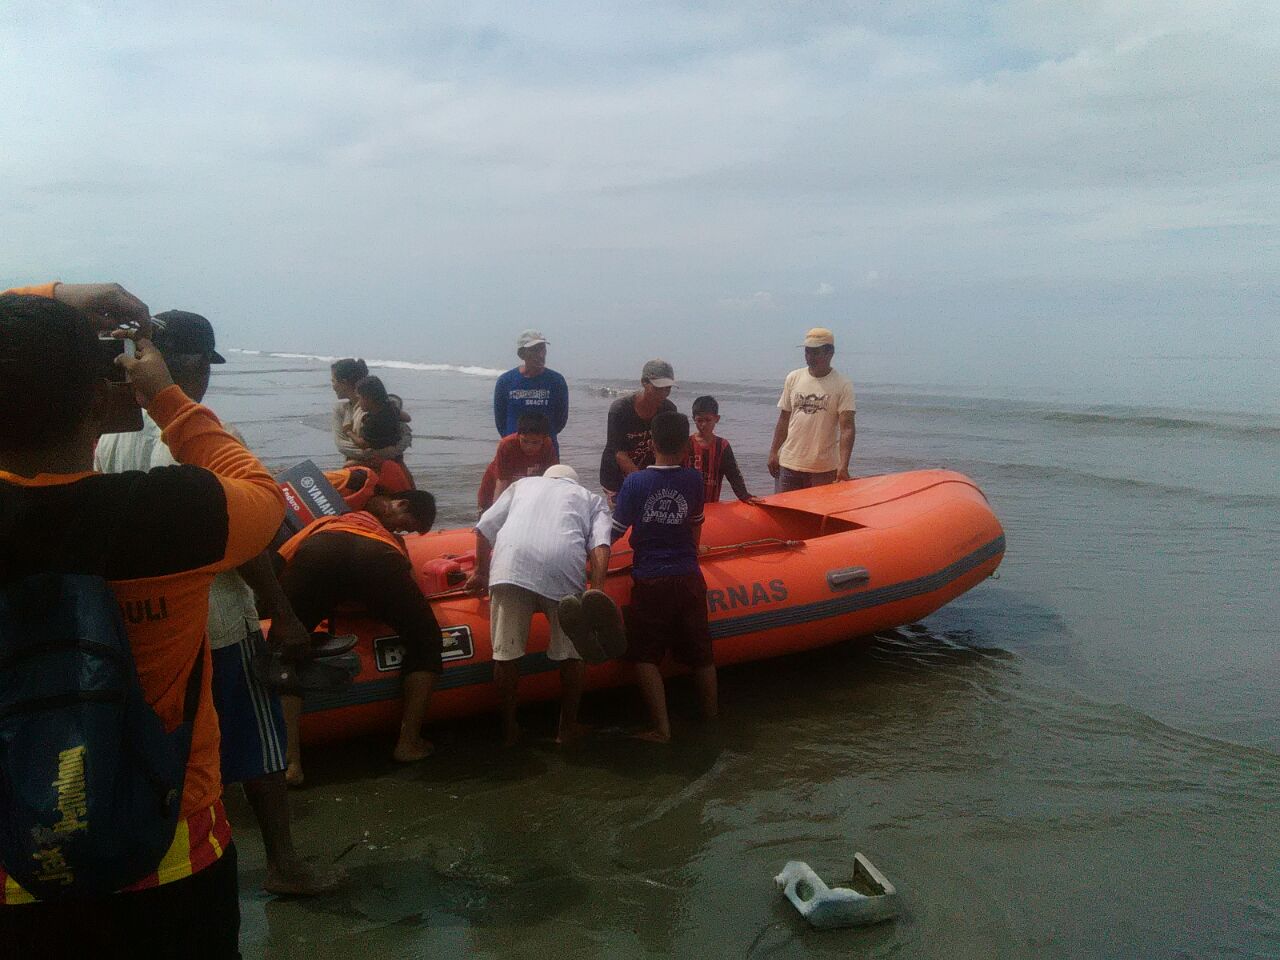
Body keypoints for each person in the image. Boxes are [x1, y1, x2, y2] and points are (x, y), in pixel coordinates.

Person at [0, 282, 285, 957]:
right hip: (170, 856)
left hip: (15, 862)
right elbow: (264, 499)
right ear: (101, 392)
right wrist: (169, 398)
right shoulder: (168, 513)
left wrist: (57, 299)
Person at [95, 310, 344, 898]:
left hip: (145, 632)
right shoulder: (200, 436)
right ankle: (283, 865)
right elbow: (246, 536)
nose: (206, 375)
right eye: (204, 362)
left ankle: (159, 866)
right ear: (187, 365)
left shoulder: (107, 435)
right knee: (260, 753)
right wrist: (281, 612)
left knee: (165, 758)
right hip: (219, 623)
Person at [276, 491, 442, 785]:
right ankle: (408, 742)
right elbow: (410, 590)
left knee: (283, 651)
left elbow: (284, 560)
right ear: (400, 503)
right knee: (426, 639)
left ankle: (290, 764)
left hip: (319, 552)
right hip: (376, 559)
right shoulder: (391, 541)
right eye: (405, 524)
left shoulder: (328, 521)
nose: (400, 531)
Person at [465, 465, 613, 746]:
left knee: (506, 653)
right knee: (572, 653)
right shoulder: (590, 499)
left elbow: (484, 529)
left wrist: (482, 572)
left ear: (548, 478)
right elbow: (600, 545)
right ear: (574, 483)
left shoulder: (522, 486)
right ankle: (566, 729)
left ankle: (509, 730)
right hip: (563, 566)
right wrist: (598, 590)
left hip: (510, 565)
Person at [611, 411, 718, 742]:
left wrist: (589, 555)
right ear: (688, 445)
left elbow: (613, 531)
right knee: (701, 654)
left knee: (644, 656)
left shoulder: (636, 482)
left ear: (652, 442)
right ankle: (712, 718)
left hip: (651, 579)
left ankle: (661, 728)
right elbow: (695, 522)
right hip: (688, 575)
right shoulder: (693, 480)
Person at [767, 328, 856, 492]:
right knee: (785, 515)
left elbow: (847, 428)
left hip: (823, 469)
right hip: (788, 465)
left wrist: (843, 466)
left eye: (815, 352)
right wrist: (773, 452)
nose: (810, 357)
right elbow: (784, 419)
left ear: (830, 352)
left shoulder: (843, 384)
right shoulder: (793, 378)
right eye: (807, 352)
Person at [598, 359, 678, 507]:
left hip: (648, 473)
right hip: (616, 477)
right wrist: (644, 483)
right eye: (658, 388)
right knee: (621, 519)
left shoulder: (669, 411)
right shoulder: (620, 410)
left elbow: (669, 451)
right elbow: (619, 454)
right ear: (644, 382)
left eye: (667, 389)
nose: (663, 394)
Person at [330, 358, 414, 492]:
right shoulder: (342, 410)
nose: (332, 386)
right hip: (362, 468)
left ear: (344, 383)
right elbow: (342, 445)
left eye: (333, 381)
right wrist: (374, 455)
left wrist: (384, 454)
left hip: (390, 465)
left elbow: (405, 432)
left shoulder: (383, 405)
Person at [492, 330, 569, 446]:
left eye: (542, 349)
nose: (540, 355)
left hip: (546, 449)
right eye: (534, 350)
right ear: (521, 354)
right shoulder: (505, 381)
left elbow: (560, 420)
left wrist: (538, 440)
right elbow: (500, 421)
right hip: (513, 448)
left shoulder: (556, 381)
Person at [476, 411, 559, 515]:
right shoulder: (507, 445)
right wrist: (495, 513)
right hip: (494, 491)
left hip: (521, 494)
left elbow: (551, 480)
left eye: (535, 442)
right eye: (524, 441)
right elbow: (502, 482)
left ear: (543, 439)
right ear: (518, 435)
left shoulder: (547, 445)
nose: (529, 447)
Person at [685, 395, 761, 505]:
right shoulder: (687, 444)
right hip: (688, 504)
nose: (703, 424)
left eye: (708, 420)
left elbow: (733, 474)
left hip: (712, 504)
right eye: (699, 420)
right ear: (693, 419)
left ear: (717, 418)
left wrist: (744, 495)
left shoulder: (722, 446)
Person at [353, 375, 401, 451]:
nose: (358, 403)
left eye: (359, 398)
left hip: (378, 453)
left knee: (350, 463)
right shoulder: (390, 409)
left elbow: (363, 444)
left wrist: (348, 432)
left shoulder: (372, 421)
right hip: (393, 447)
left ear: (369, 399)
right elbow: (407, 418)